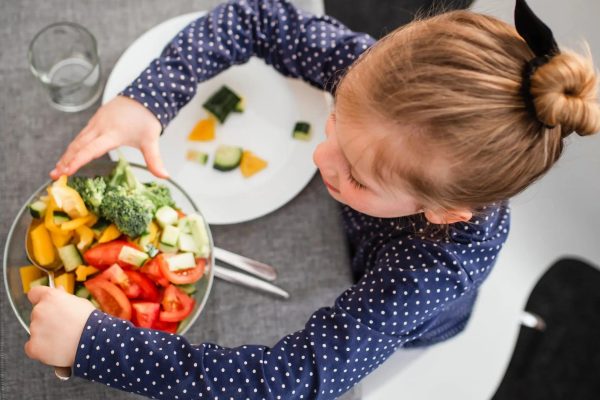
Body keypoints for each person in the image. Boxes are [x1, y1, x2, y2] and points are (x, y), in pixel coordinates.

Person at [26, 0, 600, 398]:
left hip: (406, 311)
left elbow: (288, 380)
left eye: (356, 174)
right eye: (334, 124)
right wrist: (148, 99)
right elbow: (255, 19)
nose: (320, 160)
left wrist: (98, 345)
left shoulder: (435, 268)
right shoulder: (379, 83)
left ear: (444, 213)